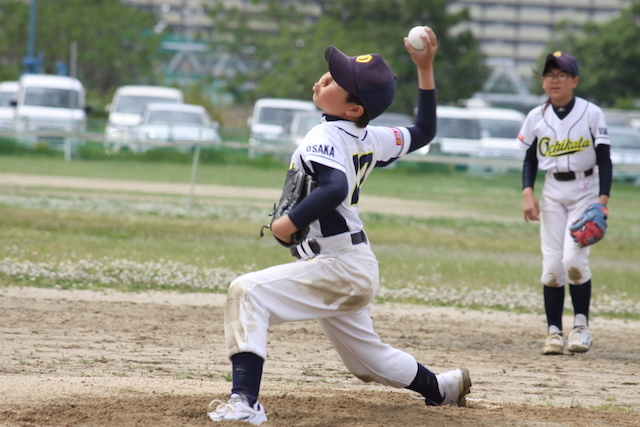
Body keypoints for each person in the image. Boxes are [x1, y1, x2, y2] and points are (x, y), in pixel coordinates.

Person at [207, 26, 471, 425]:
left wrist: (289, 221)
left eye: (336, 81)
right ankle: (442, 387)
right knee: (368, 362)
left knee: (247, 293)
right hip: (352, 264)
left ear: (353, 108)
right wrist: (425, 69)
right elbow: (425, 131)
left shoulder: (326, 133)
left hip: (340, 264)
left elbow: (336, 186)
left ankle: (245, 403)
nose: (324, 79)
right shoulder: (370, 136)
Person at [517, 51, 612, 355]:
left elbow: (604, 159)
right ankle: (554, 333)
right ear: (543, 82)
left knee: (573, 262)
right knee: (552, 268)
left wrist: (602, 202)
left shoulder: (591, 113)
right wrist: (528, 193)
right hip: (553, 191)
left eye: (561, 75)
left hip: (586, 190)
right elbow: (530, 158)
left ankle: (582, 328)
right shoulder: (536, 116)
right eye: (549, 75)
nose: (554, 80)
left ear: (575, 81)